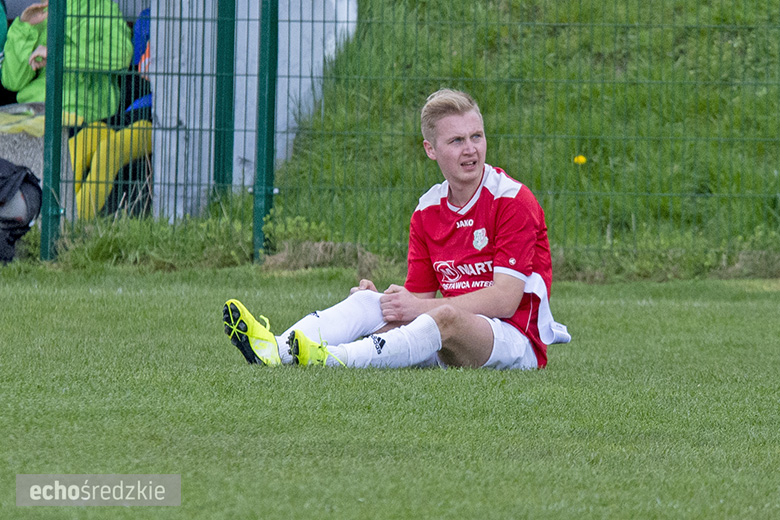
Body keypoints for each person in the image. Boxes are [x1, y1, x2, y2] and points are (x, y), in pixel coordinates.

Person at [222, 88, 570, 370]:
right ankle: (276, 349)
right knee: (368, 302)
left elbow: (505, 300)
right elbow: (418, 300)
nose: (471, 150)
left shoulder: (512, 200)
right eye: (456, 141)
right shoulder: (426, 210)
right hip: (448, 334)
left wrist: (415, 310)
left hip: (514, 341)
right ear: (430, 149)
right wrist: (389, 305)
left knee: (445, 316)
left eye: (476, 136)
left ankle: (332, 359)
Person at [1, 0, 133, 124]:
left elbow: (121, 55)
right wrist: (24, 27)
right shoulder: (38, 13)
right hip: (33, 112)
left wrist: (58, 55)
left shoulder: (101, 7)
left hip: (83, 113)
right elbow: (13, 82)